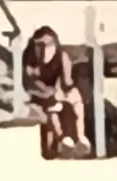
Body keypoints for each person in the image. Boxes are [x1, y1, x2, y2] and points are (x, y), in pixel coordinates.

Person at [22, 26, 91, 158]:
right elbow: (30, 82)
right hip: (39, 95)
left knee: (76, 99)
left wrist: (62, 93)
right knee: (52, 107)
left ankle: (80, 137)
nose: (44, 50)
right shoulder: (29, 59)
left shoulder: (62, 56)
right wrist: (50, 92)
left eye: (48, 45)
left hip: (59, 90)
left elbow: (67, 81)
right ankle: (62, 138)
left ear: (55, 45)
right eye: (39, 45)